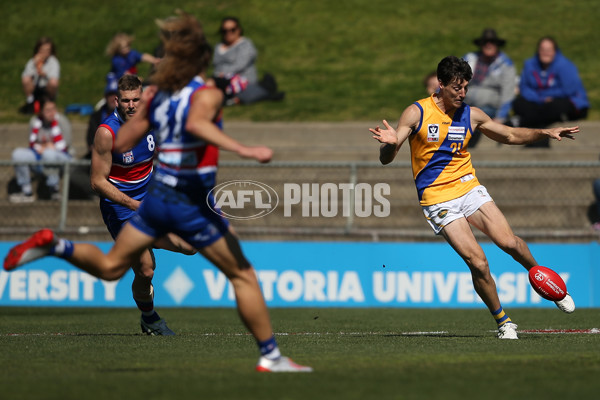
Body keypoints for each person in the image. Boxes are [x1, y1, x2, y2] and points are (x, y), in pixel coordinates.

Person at [4, 11, 312, 373]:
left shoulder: (156, 100)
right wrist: (246, 149)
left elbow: (133, 138)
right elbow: (195, 120)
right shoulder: (199, 95)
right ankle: (271, 357)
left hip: (156, 198)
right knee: (241, 273)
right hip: (171, 198)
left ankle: (55, 245)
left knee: (113, 267)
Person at [369, 56, 577, 340]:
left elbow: (510, 135)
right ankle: (504, 322)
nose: (462, 93)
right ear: (440, 85)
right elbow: (387, 158)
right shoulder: (416, 112)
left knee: (509, 242)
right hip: (437, 198)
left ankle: (544, 281)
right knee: (478, 262)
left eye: (465, 87)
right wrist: (389, 146)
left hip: (468, 187)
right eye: (457, 87)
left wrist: (545, 132)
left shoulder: (472, 115)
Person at [91, 74, 196, 335]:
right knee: (146, 270)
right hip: (122, 208)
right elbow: (97, 182)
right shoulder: (107, 133)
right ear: (117, 100)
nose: (131, 105)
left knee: (191, 246)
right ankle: (150, 318)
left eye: (136, 99)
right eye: (126, 100)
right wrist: (134, 204)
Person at [512, 36, 589, 148]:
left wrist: (547, 96)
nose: (545, 53)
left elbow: (569, 90)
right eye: (542, 49)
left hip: (562, 101)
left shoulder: (565, 65)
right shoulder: (530, 64)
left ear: (555, 51)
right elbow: (524, 88)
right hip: (539, 103)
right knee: (519, 103)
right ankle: (531, 128)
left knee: (553, 107)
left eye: (549, 50)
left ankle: (520, 123)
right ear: (538, 51)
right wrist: (541, 98)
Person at [462, 29, 517, 148]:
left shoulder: (505, 64)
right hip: (465, 105)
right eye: (485, 41)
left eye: (492, 42)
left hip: (490, 109)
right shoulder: (470, 59)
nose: (489, 44)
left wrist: (501, 117)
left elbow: (508, 93)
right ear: (481, 44)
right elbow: (454, 79)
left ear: (497, 45)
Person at [10, 98, 71, 203]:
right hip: (39, 154)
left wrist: (47, 147)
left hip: (61, 157)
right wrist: (46, 146)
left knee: (49, 154)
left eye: (53, 109)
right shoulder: (35, 121)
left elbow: (66, 144)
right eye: (48, 110)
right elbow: (33, 144)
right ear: (41, 111)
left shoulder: (62, 120)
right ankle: (27, 191)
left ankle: (54, 190)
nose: (51, 113)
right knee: (18, 154)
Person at [212, 16, 284, 105]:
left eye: (232, 30)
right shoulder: (218, 46)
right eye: (225, 30)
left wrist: (222, 73)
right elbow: (215, 65)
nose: (228, 33)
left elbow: (240, 65)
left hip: (243, 82)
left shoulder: (246, 45)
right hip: (221, 80)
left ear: (239, 30)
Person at [19, 37, 61, 114]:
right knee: (26, 79)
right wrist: (35, 66)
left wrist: (43, 73)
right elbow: (26, 75)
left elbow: (54, 77)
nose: (45, 53)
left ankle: (50, 102)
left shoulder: (53, 62)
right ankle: (30, 102)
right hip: (35, 86)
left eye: (47, 50)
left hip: (46, 86)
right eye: (43, 50)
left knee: (53, 82)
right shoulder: (32, 61)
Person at [85, 75, 119, 159]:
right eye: (110, 94)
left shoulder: (128, 117)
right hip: (100, 156)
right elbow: (91, 142)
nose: (113, 98)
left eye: (116, 94)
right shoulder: (96, 117)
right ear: (105, 97)